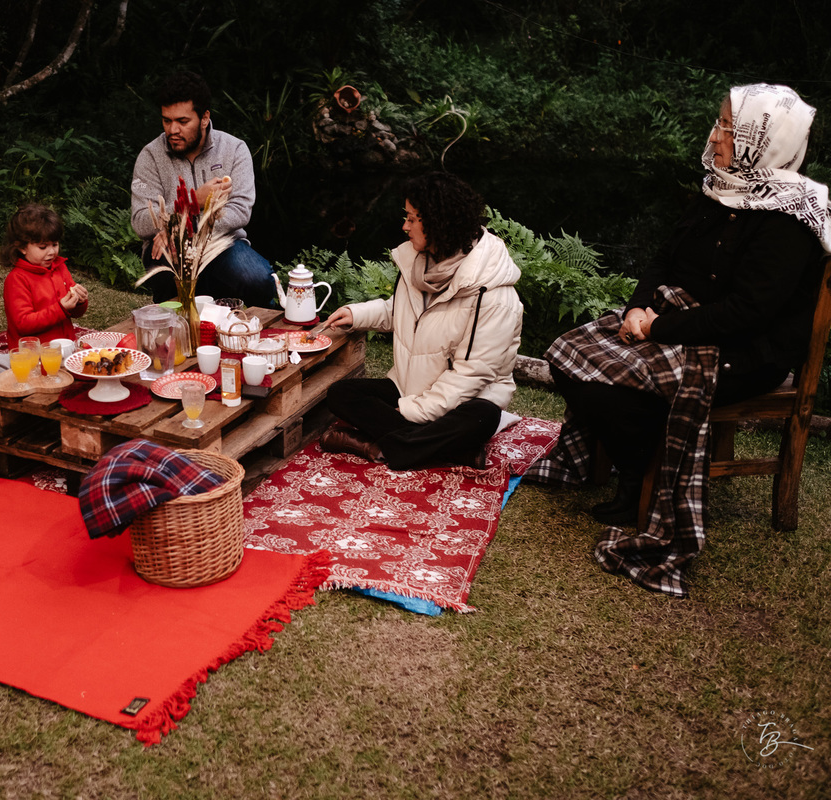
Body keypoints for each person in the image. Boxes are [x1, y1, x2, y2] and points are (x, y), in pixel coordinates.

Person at [525, 84, 831, 597]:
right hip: (678, 323)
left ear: (763, 138)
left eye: (728, 127)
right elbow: (663, 259)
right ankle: (638, 459)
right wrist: (637, 308)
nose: (714, 136)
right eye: (719, 122)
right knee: (566, 353)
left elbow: (747, 313)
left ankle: (638, 477)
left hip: (744, 352)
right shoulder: (720, 187)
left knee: (612, 387)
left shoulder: (790, 219)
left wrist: (657, 329)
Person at [318, 171, 524, 471]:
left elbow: (471, 376)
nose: (405, 226)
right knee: (341, 394)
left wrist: (411, 411)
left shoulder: (495, 297)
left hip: (465, 399)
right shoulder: (420, 263)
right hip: (411, 385)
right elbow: (402, 312)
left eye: (412, 219)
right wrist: (357, 314)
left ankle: (380, 445)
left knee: (483, 417)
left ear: (439, 222)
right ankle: (448, 451)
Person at [130, 70, 275, 308]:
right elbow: (140, 221)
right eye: (167, 120)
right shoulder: (150, 156)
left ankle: (242, 313)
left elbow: (240, 211)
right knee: (164, 261)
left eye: (182, 121)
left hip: (223, 244)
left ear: (204, 118)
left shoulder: (234, 149)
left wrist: (180, 225)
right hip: (170, 248)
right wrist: (192, 203)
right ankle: (175, 314)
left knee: (259, 280)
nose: (172, 130)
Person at [1, 202, 88, 348]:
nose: (52, 252)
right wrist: (61, 309)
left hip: (65, 347)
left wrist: (80, 302)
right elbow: (23, 324)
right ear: (22, 247)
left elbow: (75, 313)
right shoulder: (17, 279)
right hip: (34, 353)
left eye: (55, 244)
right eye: (43, 247)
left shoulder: (60, 268)